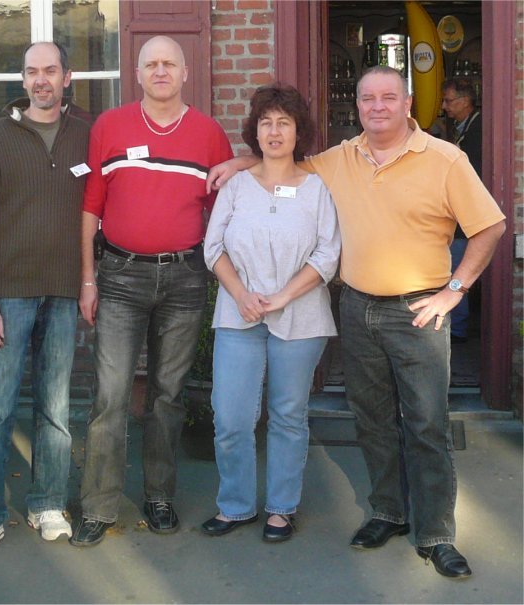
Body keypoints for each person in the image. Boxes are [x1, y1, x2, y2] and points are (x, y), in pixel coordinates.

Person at [206, 66, 505, 578]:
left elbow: (490, 226)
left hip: (418, 311)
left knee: (427, 425)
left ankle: (436, 535)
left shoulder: (445, 158)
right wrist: (242, 161)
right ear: (358, 107)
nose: (377, 106)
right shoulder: (342, 158)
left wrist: (453, 291)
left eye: (388, 97)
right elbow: (284, 162)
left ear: (408, 103)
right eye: (368, 98)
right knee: (372, 420)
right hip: (359, 306)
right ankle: (388, 513)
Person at [70, 35, 233, 547]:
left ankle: (160, 495)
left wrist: (247, 162)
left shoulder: (209, 134)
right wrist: (88, 279)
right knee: (111, 395)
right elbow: (91, 206)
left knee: (167, 395)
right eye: (151, 64)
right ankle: (98, 505)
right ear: (137, 74)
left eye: (169, 64)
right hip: (119, 277)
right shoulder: (110, 126)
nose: (160, 71)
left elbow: (228, 205)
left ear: (185, 73)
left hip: (185, 278)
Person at [0, 42, 90, 560]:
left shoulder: (86, 134)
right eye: (32, 72)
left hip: (63, 291)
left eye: (50, 71)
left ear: (66, 77)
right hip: (7, 297)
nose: (41, 80)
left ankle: (48, 503)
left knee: (56, 409)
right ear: (23, 80)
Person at [201, 84, 340, 542]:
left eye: (284, 122)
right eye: (266, 123)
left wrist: (282, 297)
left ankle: (281, 508)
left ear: (298, 132)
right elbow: (213, 247)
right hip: (238, 314)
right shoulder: (236, 185)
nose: (274, 131)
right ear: (255, 132)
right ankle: (235, 505)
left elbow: (327, 254)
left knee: (287, 415)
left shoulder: (318, 189)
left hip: (301, 318)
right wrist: (241, 294)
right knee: (231, 416)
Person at [441, 78, 482, 343]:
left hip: (468, 216)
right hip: (464, 214)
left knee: (457, 267)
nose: (444, 107)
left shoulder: (478, 130)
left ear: (465, 101)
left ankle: (457, 329)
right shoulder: (465, 126)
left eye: (448, 101)